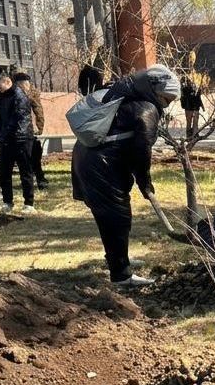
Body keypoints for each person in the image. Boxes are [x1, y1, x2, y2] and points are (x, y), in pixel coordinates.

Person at [71, 64, 181, 286]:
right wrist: (145, 182)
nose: (167, 104)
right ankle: (121, 275)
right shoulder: (146, 109)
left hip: (88, 159)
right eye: (167, 99)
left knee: (109, 217)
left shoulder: (124, 94)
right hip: (101, 166)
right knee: (117, 218)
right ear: (155, 90)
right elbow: (141, 150)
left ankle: (119, 259)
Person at [0, 67, 36, 214]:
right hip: (6, 139)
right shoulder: (1, 96)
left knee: (25, 172)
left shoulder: (19, 97)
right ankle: (7, 202)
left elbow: (13, 122)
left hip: (21, 138)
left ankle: (29, 204)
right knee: (3, 172)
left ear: (7, 81)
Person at [12, 72, 48, 190]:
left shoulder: (29, 94)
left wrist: (39, 127)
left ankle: (39, 179)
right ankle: (34, 180)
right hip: (20, 131)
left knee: (33, 157)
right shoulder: (18, 94)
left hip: (29, 131)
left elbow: (38, 110)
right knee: (27, 158)